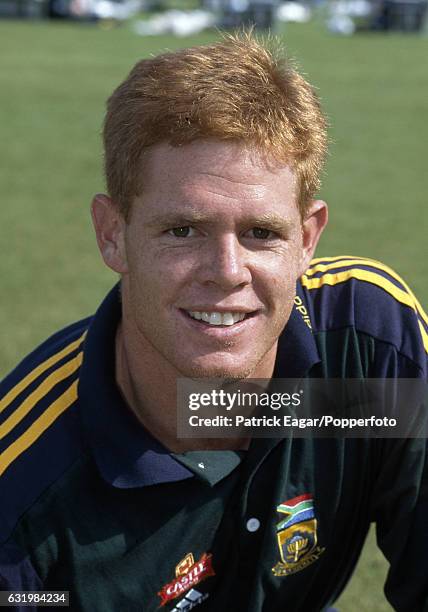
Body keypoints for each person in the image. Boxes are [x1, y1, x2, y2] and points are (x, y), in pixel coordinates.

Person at [0, 32, 427, 612]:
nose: (227, 272)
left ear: (306, 239)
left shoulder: (370, 342)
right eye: (182, 230)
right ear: (112, 234)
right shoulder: (21, 497)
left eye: (261, 233)